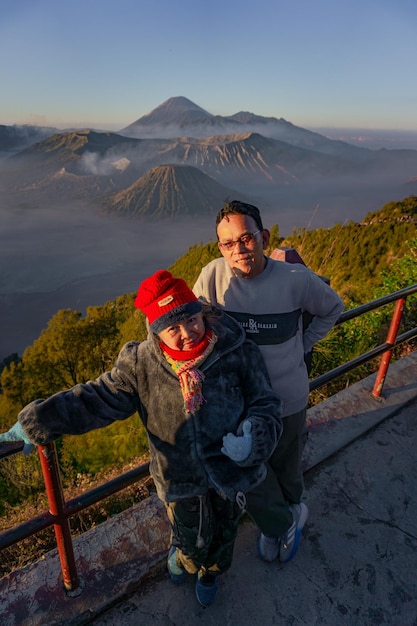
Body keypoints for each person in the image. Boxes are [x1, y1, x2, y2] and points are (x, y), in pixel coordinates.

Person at [0, 269, 282, 608]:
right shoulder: (142, 365)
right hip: (180, 480)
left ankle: (212, 573)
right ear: (156, 332)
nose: (187, 333)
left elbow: (265, 403)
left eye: (192, 319)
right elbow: (96, 398)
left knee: (225, 534)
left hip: (230, 473)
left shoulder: (235, 350)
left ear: (201, 312)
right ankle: (186, 559)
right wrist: (38, 421)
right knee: (190, 538)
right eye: (172, 328)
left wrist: (254, 439)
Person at [193, 200, 345, 563]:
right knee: (248, 470)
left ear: (263, 237)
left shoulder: (295, 280)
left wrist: (301, 346)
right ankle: (281, 522)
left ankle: (290, 512)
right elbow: (192, 323)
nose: (239, 250)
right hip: (238, 401)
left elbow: (332, 308)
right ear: (220, 248)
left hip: (285, 398)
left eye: (246, 239)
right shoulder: (213, 276)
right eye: (228, 243)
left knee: (286, 465)